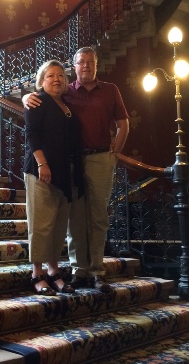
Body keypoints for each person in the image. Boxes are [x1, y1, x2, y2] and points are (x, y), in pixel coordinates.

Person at [23, 47, 129, 292]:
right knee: (75, 219)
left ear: (96, 64)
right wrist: (25, 97)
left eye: (90, 62)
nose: (86, 66)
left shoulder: (110, 90)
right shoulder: (66, 92)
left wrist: (114, 154)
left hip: (99, 158)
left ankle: (97, 271)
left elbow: (124, 124)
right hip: (68, 163)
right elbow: (38, 108)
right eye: (81, 62)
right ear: (75, 66)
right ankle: (78, 270)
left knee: (98, 217)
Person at [23, 59, 84, 295]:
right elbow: (32, 134)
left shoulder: (66, 106)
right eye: (50, 76)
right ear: (41, 81)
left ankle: (53, 271)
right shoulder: (37, 101)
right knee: (41, 224)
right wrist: (42, 163)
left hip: (64, 172)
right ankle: (36, 274)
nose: (56, 79)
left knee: (58, 225)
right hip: (43, 170)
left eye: (60, 75)